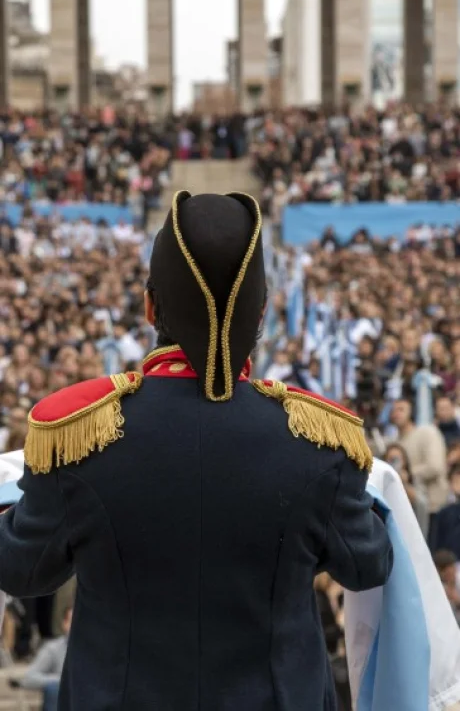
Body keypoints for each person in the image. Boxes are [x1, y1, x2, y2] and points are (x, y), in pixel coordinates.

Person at [0, 192, 392, 710]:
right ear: (262, 316)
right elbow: (368, 564)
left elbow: (21, 570)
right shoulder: (316, 441)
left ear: (148, 306)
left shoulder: (79, 437)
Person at [390, 398, 448, 537]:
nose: (396, 413)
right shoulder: (395, 441)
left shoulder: (427, 432)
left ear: (412, 413)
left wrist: (408, 475)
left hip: (434, 507)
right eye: (394, 410)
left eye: (401, 409)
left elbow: (435, 466)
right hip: (410, 510)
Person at [15, 607, 73, 711]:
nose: (75, 628)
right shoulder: (53, 648)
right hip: (60, 698)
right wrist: (62, 681)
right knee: (54, 689)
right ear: (64, 624)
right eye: (71, 622)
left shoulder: (95, 651)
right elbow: (30, 677)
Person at [383, 443, 429, 538]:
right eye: (391, 459)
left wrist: (404, 484)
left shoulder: (414, 481)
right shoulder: (381, 481)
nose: (395, 463)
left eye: (398, 459)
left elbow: (422, 503)